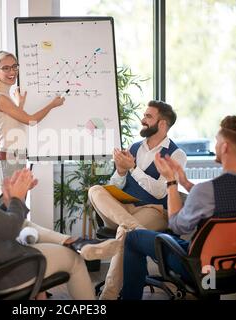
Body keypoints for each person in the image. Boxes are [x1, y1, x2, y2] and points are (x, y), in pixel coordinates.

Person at [0, 132, 113, 299]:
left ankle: (74, 242)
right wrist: (17, 198)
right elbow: (10, 229)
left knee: (45, 242)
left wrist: (8, 202)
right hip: (6, 270)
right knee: (75, 260)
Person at [122, 115, 236, 300]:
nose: (215, 146)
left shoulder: (207, 190)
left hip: (199, 266)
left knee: (133, 238)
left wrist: (171, 182)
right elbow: (225, 201)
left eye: (217, 142)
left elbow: (178, 226)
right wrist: (185, 183)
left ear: (225, 147)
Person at [0, 124, 119, 259]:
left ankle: (76, 243)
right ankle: (76, 242)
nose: (0, 143)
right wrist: (14, 195)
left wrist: (16, 191)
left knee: (29, 229)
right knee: (26, 225)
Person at [88, 100, 187, 299]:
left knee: (124, 231)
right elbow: (116, 186)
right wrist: (121, 171)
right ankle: (134, 228)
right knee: (95, 190)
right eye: (144, 115)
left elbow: (161, 191)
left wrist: (133, 168)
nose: (142, 120)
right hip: (125, 210)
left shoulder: (177, 154)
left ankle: (108, 296)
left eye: (148, 116)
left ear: (162, 124)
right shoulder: (134, 147)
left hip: (155, 211)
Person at [0, 50, 65, 188]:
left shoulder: (4, 96)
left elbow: (13, 124)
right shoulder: (0, 98)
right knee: (13, 204)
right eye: (6, 68)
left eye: (15, 66)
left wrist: (19, 104)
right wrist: (52, 105)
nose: (12, 71)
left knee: (16, 203)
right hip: (10, 157)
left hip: (15, 156)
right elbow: (31, 120)